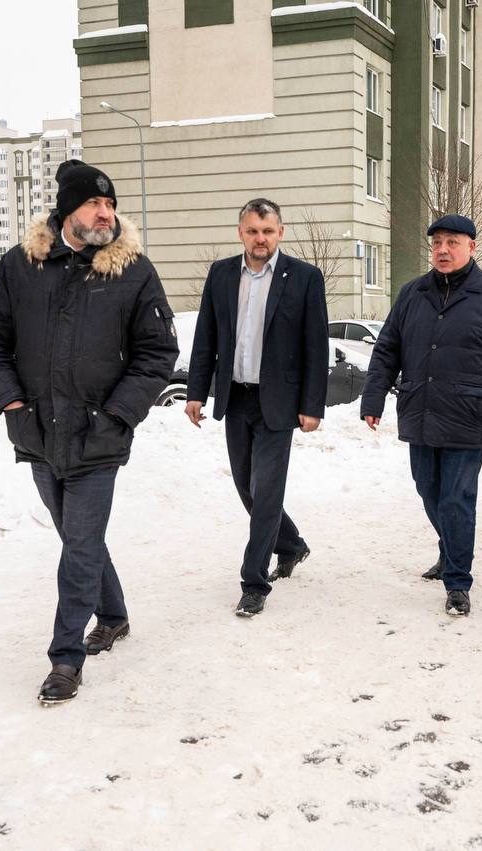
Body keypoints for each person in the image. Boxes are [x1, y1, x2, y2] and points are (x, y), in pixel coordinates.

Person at [0, 159, 179, 704]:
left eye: (110, 204)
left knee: (80, 544)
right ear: (68, 210)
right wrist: (11, 403)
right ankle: (113, 614)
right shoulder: (21, 265)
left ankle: (66, 659)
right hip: (38, 432)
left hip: (99, 434)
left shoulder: (132, 270)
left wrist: (118, 414)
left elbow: (158, 353)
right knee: (76, 538)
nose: (106, 213)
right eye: (94, 203)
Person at [360, 214, 482, 617]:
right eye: (437, 243)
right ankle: (450, 548)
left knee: (457, 499)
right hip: (420, 410)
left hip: (469, 414)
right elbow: (387, 349)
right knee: (428, 489)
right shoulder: (412, 293)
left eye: (452, 242)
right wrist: (373, 399)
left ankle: (457, 582)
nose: (443, 250)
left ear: (471, 247)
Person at [185, 198, 329, 619]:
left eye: (267, 231)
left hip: (279, 403)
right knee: (247, 487)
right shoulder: (221, 274)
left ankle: (254, 581)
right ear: (241, 233)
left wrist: (312, 405)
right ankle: (291, 543)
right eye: (252, 231)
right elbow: (206, 337)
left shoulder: (304, 278)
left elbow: (315, 345)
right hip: (236, 397)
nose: (260, 239)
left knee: (266, 491)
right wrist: (196, 392)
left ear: (280, 232)